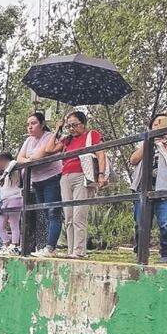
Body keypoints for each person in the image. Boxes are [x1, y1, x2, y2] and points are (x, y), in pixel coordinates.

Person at [44, 111, 107, 258]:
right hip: (65, 176)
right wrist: (57, 129)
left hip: (82, 175)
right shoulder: (67, 140)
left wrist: (101, 175)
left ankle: (79, 251)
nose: (72, 128)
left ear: (83, 123)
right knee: (69, 216)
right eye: (69, 126)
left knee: (79, 214)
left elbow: (101, 154)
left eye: (75, 125)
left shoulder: (92, 135)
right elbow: (49, 150)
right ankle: (71, 250)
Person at [129, 113, 167, 263]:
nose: (157, 126)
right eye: (155, 124)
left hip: (166, 188)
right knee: (140, 223)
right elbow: (133, 160)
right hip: (143, 187)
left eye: (161, 124)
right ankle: (141, 252)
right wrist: (148, 142)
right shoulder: (144, 143)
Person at [16, 112, 62, 257]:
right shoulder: (28, 141)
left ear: (42, 124)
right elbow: (19, 158)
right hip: (36, 181)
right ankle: (47, 247)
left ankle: (50, 247)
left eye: (34, 123)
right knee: (44, 213)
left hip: (51, 178)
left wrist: (30, 158)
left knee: (53, 212)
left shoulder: (49, 137)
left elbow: (38, 156)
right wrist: (29, 159)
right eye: (28, 124)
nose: (30, 127)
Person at [0, 152, 22, 255]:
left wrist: (5, 173)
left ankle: (14, 245)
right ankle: (6, 244)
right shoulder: (0, 173)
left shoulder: (13, 168)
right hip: (5, 200)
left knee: (14, 223)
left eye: (0, 161)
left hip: (15, 198)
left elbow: (13, 162)